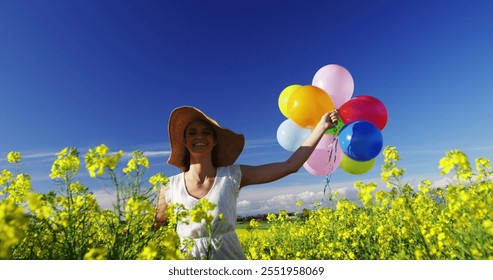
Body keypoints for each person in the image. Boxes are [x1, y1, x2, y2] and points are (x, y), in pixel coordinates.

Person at [155, 106, 338, 260]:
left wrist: (321, 127)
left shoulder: (233, 175)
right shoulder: (169, 187)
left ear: (214, 140)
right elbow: (150, 229)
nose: (199, 137)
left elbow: (289, 165)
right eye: (192, 133)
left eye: (206, 133)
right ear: (185, 142)